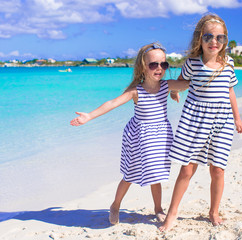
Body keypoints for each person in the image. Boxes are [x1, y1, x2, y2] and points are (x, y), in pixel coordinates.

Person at [70, 42, 188, 225]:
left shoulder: (165, 85)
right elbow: (112, 103)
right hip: (139, 138)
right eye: (153, 64)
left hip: (160, 137)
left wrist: (176, 89)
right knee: (130, 175)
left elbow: (187, 83)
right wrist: (89, 116)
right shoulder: (136, 90)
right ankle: (115, 205)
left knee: (156, 175)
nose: (159, 68)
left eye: (164, 64)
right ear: (143, 66)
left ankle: (158, 208)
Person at [159, 13, 242, 231]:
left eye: (220, 38)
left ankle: (214, 211)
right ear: (200, 39)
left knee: (218, 169)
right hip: (195, 121)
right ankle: (172, 213)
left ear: (225, 40)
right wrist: (172, 92)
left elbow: (230, 91)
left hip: (222, 121)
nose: (214, 42)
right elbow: (181, 82)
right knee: (187, 169)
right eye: (208, 37)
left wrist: (237, 117)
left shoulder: (228, 64)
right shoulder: (192, 64)